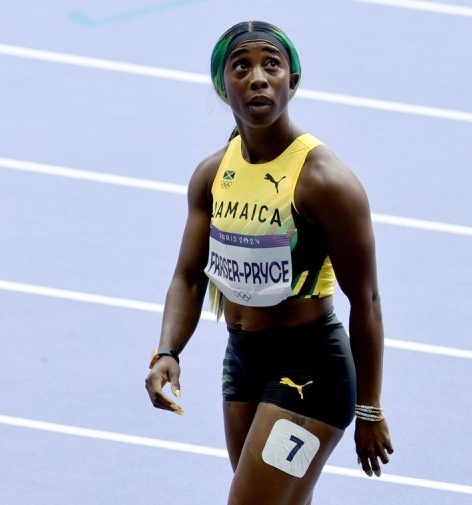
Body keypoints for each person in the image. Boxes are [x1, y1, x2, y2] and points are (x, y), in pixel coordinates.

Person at [144, 20, 394, 505]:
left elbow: (366, 300)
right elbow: (188, 278)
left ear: (291, 81)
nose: (258, 77)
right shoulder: (212, 174)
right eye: (242, 66)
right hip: (242, 363)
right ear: (223, 86)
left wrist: (370, 408)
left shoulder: (325, 181)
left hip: (312, 370)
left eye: (271, 66)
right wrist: (167, 351)